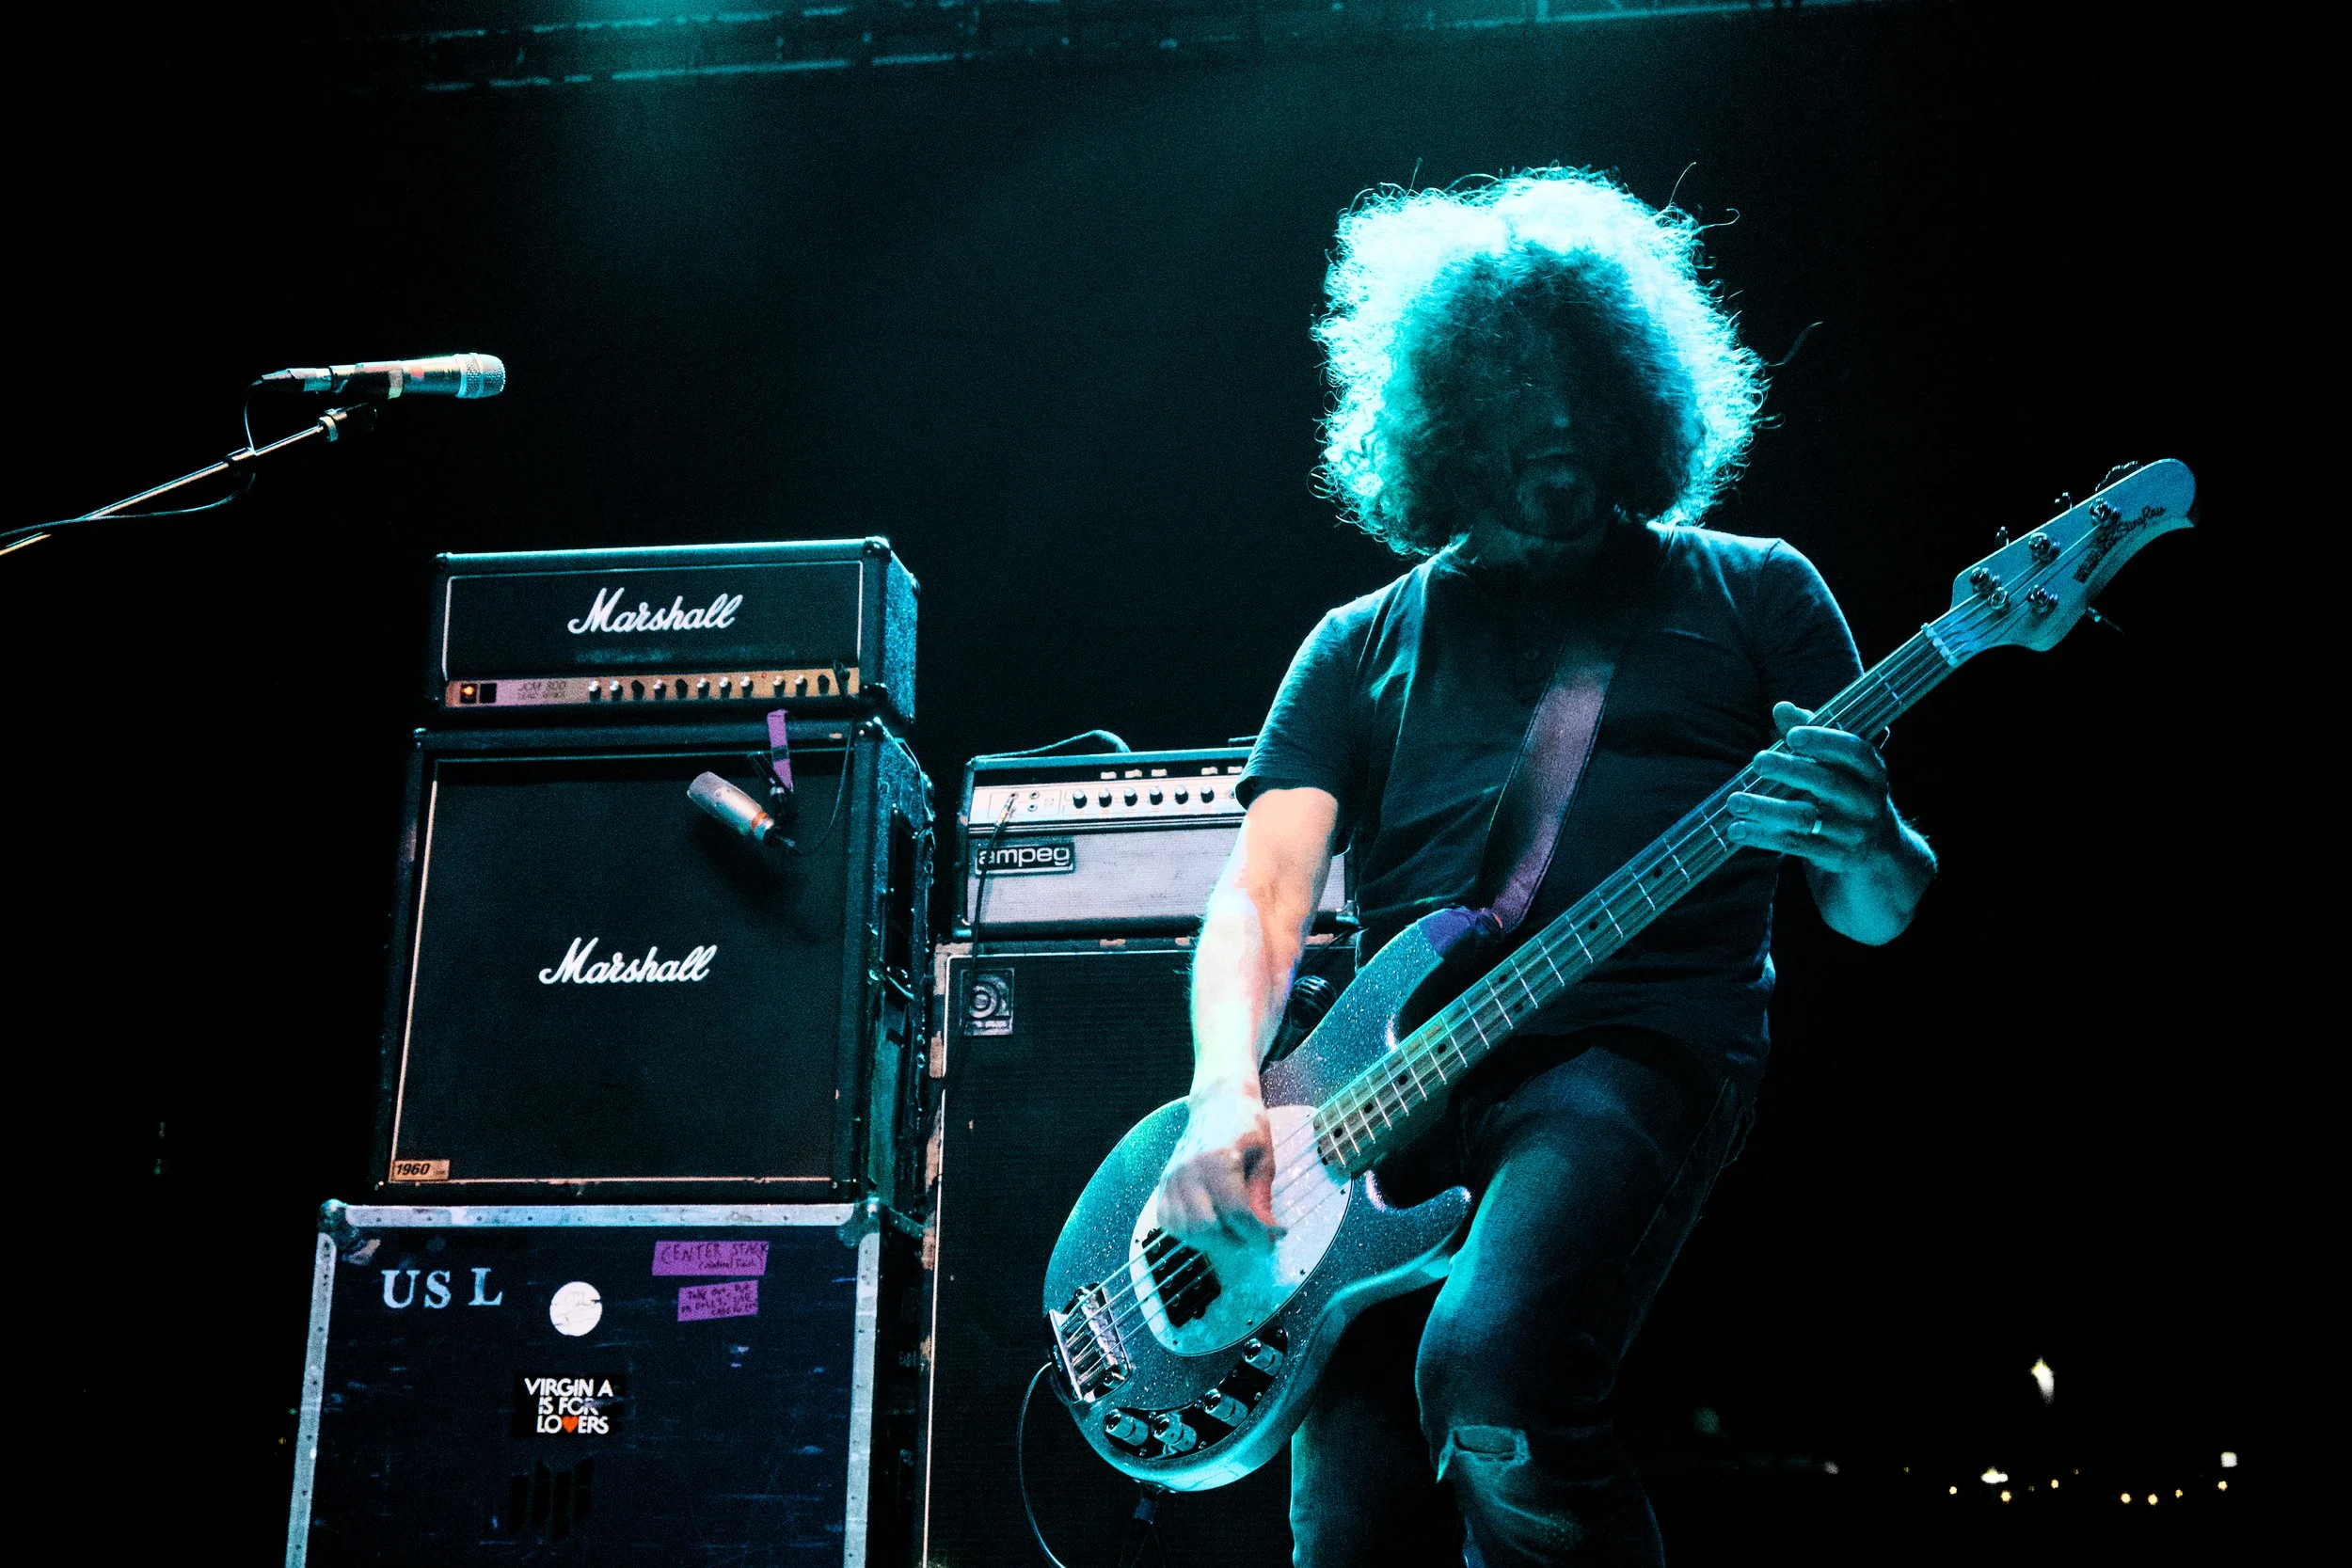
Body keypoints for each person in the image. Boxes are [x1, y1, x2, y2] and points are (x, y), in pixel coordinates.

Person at [1149, 169, 1937, 1566]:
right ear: (1444, 419)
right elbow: (1261, 897)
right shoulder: (1357, 642)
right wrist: (1223, 1094)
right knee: (1349, 1506)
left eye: (1584, 389)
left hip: (1627, 1058)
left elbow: (1874, 911)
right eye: (1518, 399)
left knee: (1499, 1370)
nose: (1559, 430)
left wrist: (1867, 835)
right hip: (1381, 1102)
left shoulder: (1756, 594)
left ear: (1640, 395)